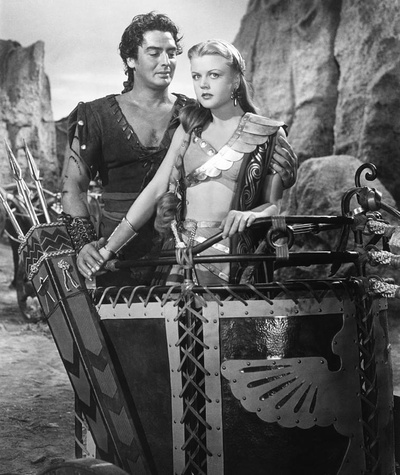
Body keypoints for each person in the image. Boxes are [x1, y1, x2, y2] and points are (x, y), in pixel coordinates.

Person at [61, 12, 297, 286]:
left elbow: (248, 177)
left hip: (185, 251)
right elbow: (73, 186)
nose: (166, 61)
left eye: (172, 53)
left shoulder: (196, 115)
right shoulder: (96, 115)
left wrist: (276, 171)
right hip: (119, 255)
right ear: (131, 59)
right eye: (154, 53)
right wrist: (86, 244)